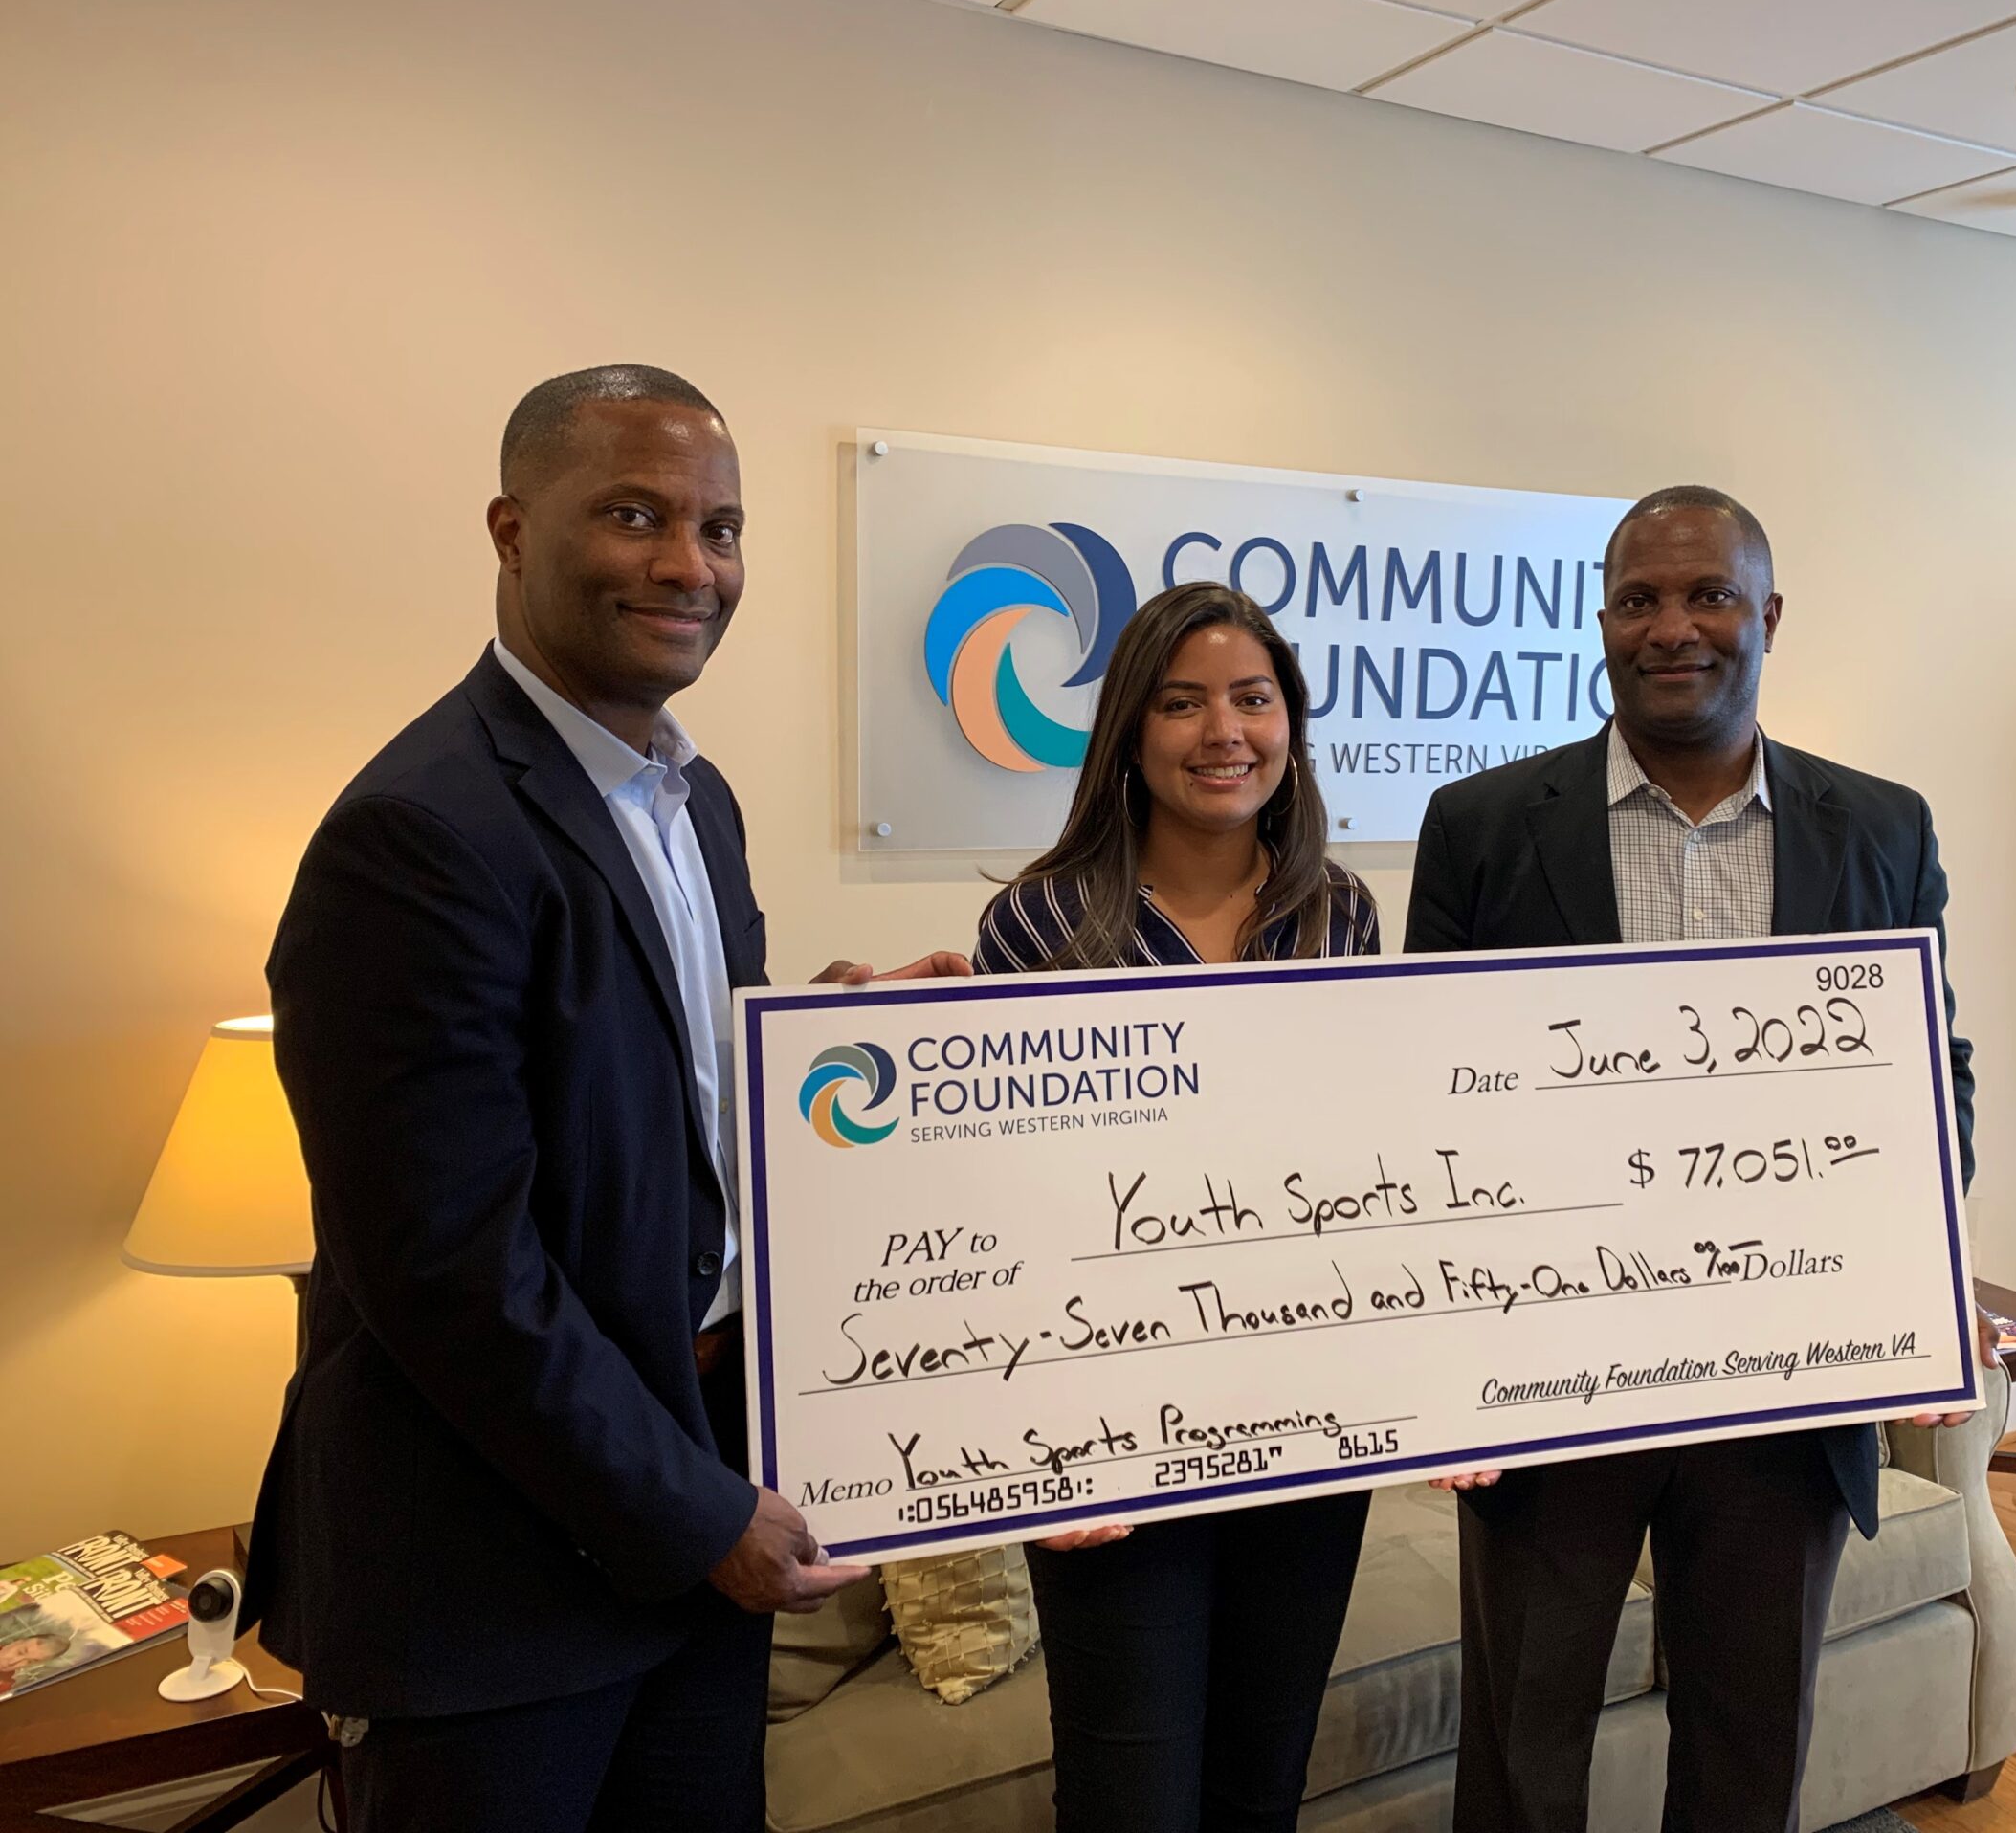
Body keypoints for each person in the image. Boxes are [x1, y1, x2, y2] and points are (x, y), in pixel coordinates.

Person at [246, 365, 963, 1831]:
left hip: (692, 1496)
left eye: (721, 526)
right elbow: (447, 1267)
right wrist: (703, 1519)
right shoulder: (419, 832)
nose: (689, 565)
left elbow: (663, 1099)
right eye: (634, 515)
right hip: (498, 1574)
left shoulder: (693, 800)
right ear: (512, 531)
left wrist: (813, 1044)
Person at [1407, 486, 2000, 1833]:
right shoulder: (1484, 825)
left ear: (1768, 617)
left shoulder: (1882, 827)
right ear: (1602, 622)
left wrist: (1926, 1263)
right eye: (1640, 601)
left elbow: (1927, 1074)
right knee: (1521, 1744)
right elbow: (1422, 1100)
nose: (1674, 628)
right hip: (1548, 1377)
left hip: (1784, 1384)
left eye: (1709, 596)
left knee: (1749, 1743)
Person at [972, 582, 1380, 1832]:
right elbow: (1008, 1220)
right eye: (1183, 702)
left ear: (1290, 726)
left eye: (1253, 700)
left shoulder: (1341, 915)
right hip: (1110, 1452)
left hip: (1302, 1437)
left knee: (1262, 1788)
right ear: (1130, 735)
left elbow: (1377, 1183)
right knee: (1128, 1794)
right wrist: (1049, 1454)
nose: (1225, 732)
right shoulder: (1039, 924)